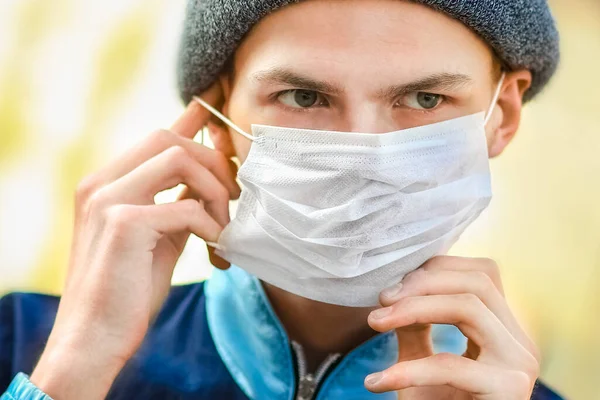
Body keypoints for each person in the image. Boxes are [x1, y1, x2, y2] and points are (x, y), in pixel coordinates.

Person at [0, 0, 565, 399]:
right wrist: (75, 369)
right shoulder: (22, 342)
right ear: (218, 117)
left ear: (502, 116)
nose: (361, 153)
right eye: (304, 96)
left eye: (425, 97)